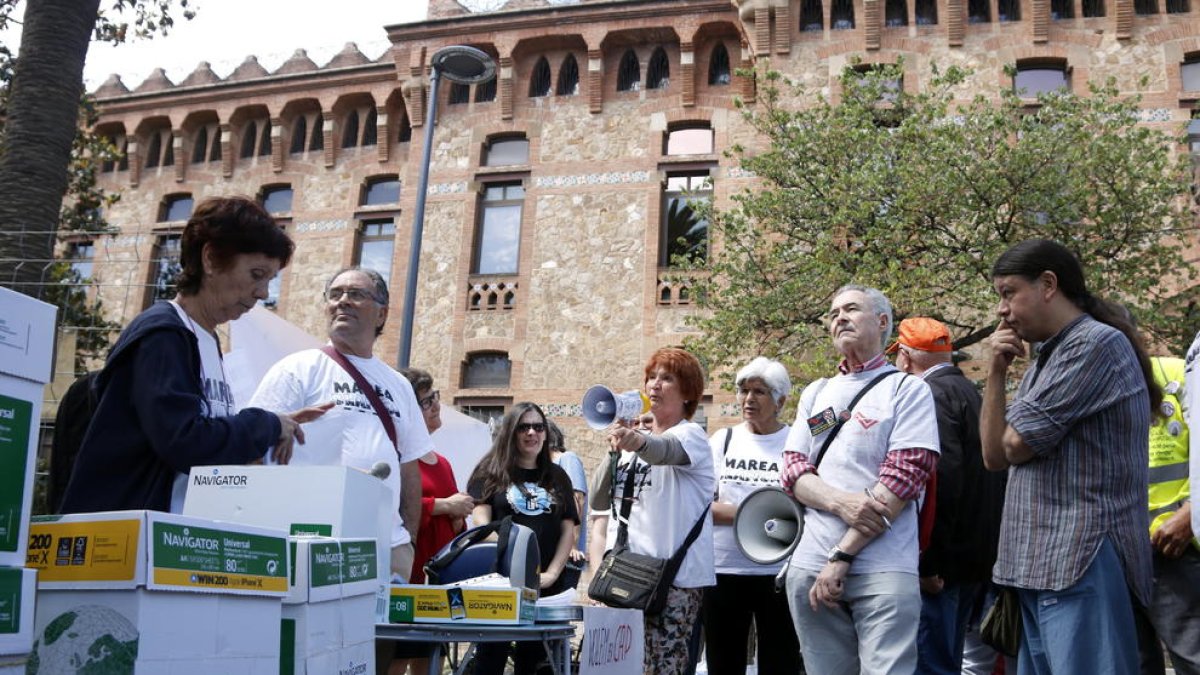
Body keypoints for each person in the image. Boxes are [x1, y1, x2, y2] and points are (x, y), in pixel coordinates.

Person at [60, 196, 327, 514]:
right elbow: (185, 441)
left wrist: (269, 436)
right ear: (212, 259)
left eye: (270, 280)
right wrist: (265, 426)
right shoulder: (163, 335)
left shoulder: (205, 339)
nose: (263, 293)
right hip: (135, 541)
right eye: (256, 274)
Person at [981, 239, 1156, 675]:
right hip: (1038, 563)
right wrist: (996, 373)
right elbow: (992, 458)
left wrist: (1007, 411)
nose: (1001, 310)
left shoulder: (1094, 345)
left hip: (1079, 559)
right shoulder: (1047, 358)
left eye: (1008, 292)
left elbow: (1013, 444)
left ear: (1048, 284)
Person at [777, 284, 939, 675]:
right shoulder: (819, 394)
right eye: (833, 314)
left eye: (851, 309)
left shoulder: (908, 390)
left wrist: (842, 556)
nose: (839, 319)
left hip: (883, 570)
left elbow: (903, 478)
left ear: (883, 322)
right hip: (809, 568)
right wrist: (839, 503)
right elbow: (794, 468)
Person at [249, 267, 432, 582]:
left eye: (356, 294)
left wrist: (409, 541)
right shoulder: (296, 369)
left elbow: (408, 468)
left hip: (386, 548)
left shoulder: (399, 385)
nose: (342, 302)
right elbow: (251, 448)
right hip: (308, 544)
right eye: (335, 295)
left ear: (381, 314)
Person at [888, 317, 1005, 675]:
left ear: (906, 358)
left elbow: (941, 479)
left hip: (943, 567)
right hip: (975, 559)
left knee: (932, 664)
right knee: (951, 660)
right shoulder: (970, 391)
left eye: (897, 357)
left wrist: (929, 563)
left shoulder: (928, 395)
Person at [601, 347, 716, 675]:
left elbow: (664, 451)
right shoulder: (638, 441)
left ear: (688, 392)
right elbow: (604, 502)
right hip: (629, 573)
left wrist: (635, 440)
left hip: (674, 580)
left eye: (667, 378)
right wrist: (616, 448)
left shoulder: (691, 436)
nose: (654, 385)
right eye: (651, 377)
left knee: (665, 667)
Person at [703, 356, 802, 675]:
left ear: (780, 400)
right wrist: (759, 516)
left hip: (779, 571)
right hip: (725, 568)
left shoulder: (796, 442)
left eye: (759, 391)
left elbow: (803, 506)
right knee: (723, 660)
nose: (748, 399)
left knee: (780, 659)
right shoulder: (723, 441)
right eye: (743, 390)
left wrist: (744, 515)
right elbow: (704, 506)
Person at [466, 402, 579, 675]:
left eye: (538, 427)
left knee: (534, 665)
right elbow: (481, 522)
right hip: (500, 583)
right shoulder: (489, 471)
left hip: (545, 587)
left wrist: (552, 573)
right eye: (523, 427)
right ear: (511, 432)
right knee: (490, 661)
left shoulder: (557, 475)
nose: (532, 433)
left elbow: (568, 530)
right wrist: (514, 557)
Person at [389, 367, 474, 675]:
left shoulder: (444, 462)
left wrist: (457, 515)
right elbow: (396, 506)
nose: (436, 405)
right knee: (397, 659)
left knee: (430, 661)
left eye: (434, 397)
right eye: (426, 401)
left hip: (438, 582)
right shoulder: (397, 455)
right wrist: (444, 505)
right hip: (408, 576)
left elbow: (455, 527)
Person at [1133, 355, 1199, 675]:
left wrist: (1191, 512)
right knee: (1134, 663)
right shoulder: (1092, 382)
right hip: (1116, 551)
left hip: (1174, 547)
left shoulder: (1177, 373)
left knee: (1191, 657)